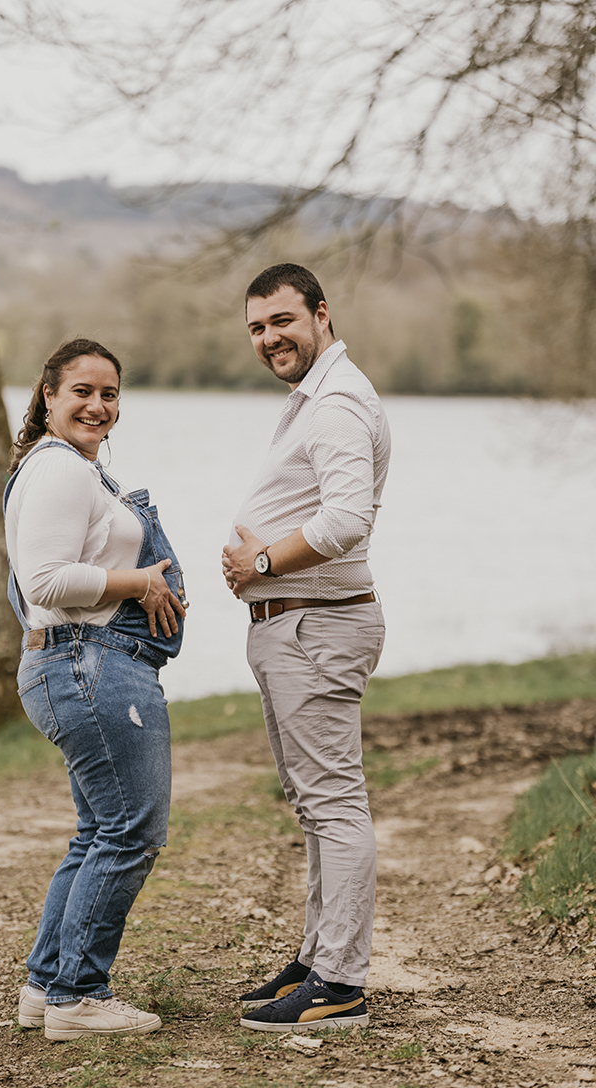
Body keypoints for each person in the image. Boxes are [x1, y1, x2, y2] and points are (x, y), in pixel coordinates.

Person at [221, 263, 390, 1033]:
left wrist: (260, 563)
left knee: (334, 804)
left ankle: (341, 982)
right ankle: (319, 956)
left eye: (283, 321)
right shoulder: (315, 400)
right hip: (294, 627)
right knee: (314, 805)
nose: (270, 338)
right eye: (257, 327)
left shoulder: (339, 401)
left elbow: (349, 517)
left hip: (316, 627)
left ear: (321, 314)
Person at [3, 337, 187, 1041]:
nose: (97, 405)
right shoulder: (60, 472)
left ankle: (48, 986)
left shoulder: (76, 470)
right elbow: (46, 580)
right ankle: (79, 998)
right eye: (82, 391)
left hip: (85, 662)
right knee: (130, 829)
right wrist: (139, 582)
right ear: (49, 394)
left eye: (109, 394)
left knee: (97, 831)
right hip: (87, 664)